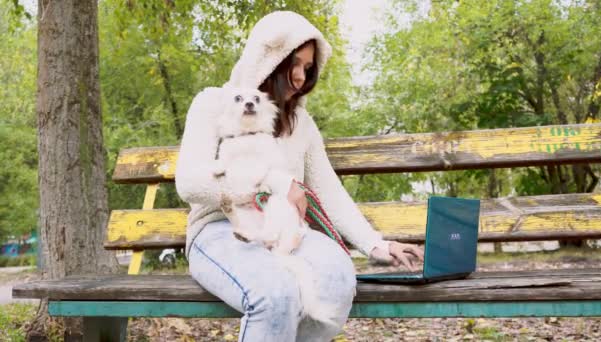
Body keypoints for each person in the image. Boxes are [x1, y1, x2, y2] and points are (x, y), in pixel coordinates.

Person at [175, 11, 424, 341]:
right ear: (267, 58)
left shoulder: (301, 124)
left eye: (308, 69)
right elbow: (190, 182)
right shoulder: (213, 103)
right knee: (276, 294)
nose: (299, 78)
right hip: (223, 230)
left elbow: (328, 191)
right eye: (292, 64)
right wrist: (275, 182)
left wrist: (376, 244)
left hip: (286, 230)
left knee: (337, 280)